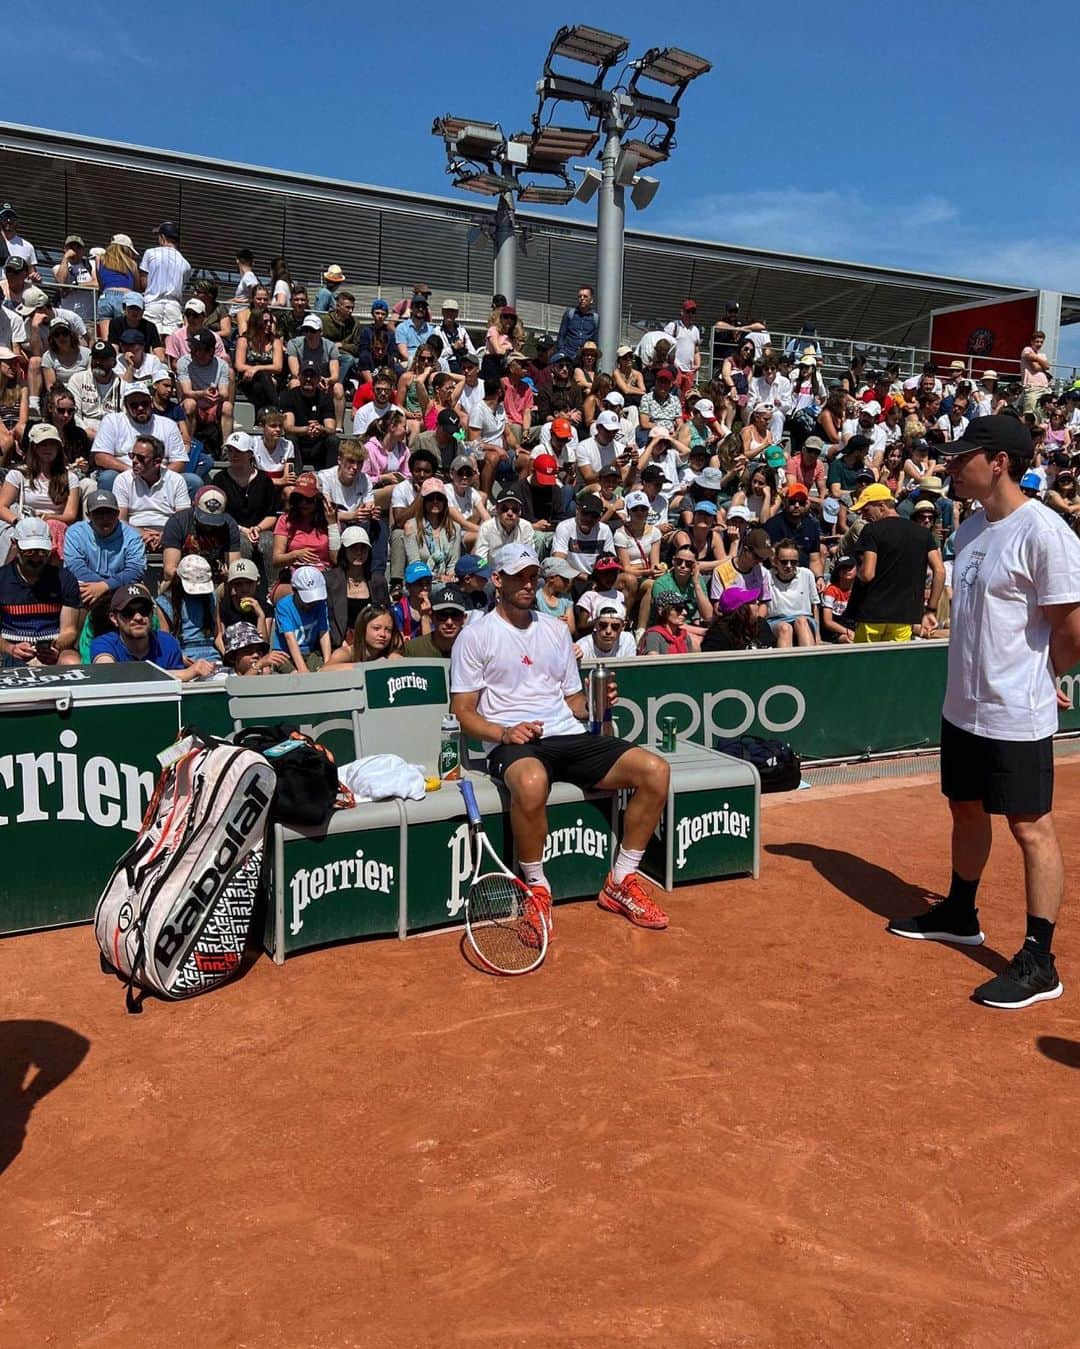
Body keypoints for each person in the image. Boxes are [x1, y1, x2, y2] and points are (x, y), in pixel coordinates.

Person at [888, 415, 1080, 1009]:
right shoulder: (970, 529)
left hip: (1015, 710)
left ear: (998, 461)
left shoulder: (1046, 532)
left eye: (962, 456)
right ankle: (960, 911)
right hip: (962, 706)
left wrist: (1049, 673)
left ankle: (1039, 961)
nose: (950, 464)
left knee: (1029, 827)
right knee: (964, 808)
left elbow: (1070, 625)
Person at [450, 541, 671, 932]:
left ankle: (621, 880)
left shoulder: (555, 630)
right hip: (511, 742)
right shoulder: (475, 635)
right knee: (532, 783)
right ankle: (536, 888)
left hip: (566, 734)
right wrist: (505, 731)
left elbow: (574, 703)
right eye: (519, 576)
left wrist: (598, 702)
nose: (527, 583)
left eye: (532, 576)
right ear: (497, 580)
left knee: (655, 770)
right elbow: (464, 714)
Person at [848, 483, 944, 643]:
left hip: (872, 614)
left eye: (866, 510)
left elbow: (867, 574)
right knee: (894, 666)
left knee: (864, 666)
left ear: (881, 506)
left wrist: (857, 572)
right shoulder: (922, 533)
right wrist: (931, 610)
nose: (863, 516)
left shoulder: (871, 530)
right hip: (904, 617)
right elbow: (940, 571)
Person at [91, 581, 212, 680]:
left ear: (152, 613)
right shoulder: (104, 644)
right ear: (114, 618)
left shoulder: (167, 643)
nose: (138, 617)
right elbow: (108, 674)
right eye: (128, 612)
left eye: (144, 610)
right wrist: (184, 674)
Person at [114, 432, 191, 550]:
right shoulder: (123, 480)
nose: (134, 461)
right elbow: (120, 519)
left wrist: (166, 535)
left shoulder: (176, 480)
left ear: (157, 462)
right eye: (132, 455)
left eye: (141, 458)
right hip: (132, 534)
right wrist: (141, 533)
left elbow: (184, 519)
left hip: (170, 535)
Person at [162, 483, 242, 585]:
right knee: (168, 582)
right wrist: (197, 577)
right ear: (194, 505)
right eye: (204, 519)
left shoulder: (229, 525)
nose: (209, 525)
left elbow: (234, 567)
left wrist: (229, 574)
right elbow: (169, 570)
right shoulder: (178, 522)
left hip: (215, 580)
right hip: (183, 580)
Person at [155, 555, 222, 666]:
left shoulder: (211, 598)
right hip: (183, 655)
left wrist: (228, 655)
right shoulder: (165, 602)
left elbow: (218, 635)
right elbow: (165, 640)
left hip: (211, 655)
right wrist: (179, 658)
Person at [271, 564, 332, 671]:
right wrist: (302, 670)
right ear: (294, 591)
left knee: (321, 671)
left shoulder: (320, 603)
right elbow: (289, 637)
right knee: (294, 677)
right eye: (307, 600)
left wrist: (328, 662)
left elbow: (324, 632)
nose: (312, 603)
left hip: (310, 652)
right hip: (284, 655)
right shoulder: (284, 606)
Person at [139, 221, 191, 335]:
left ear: (162, 237)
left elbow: (143, 282)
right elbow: (182, 285)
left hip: (152, 302)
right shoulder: (185, 264)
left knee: (152, 341)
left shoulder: (150, 253)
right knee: (170, 344)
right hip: (174, 306)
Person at [766, 540, 821, 647]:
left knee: (801, 622)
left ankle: (810, 660)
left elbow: (814, 605)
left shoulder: (807, 574)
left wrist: (818, 637)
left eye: (793, 562)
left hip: (804, 618)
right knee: (785, 628)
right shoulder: (767, 576)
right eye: (784, 562)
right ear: (775, 561)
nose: (789, 565)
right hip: (776, 620)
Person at [400, 585, 468, 659]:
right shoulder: (412, 650)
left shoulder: (474, 648)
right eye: (442, 615)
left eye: (455, 615)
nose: (449, 622)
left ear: (464, 618)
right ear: (432, 617)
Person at [700, 587, 768, 652]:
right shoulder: (717, 637)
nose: (757, 603)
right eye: (752, 602)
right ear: (741, 610)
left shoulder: (761, 625)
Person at [556, 286, 599, 363]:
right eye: (580, 296)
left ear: (591, 300)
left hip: (584, 359)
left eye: (585, 296)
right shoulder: (570, 314)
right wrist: (562, 351)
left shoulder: (594, 318)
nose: (582, 299)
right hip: (567, 355)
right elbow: (561, 335)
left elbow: (595, 340)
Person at [820, 556, 857, 643]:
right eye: (843, 568)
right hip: (835, 630)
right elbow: (828, 621)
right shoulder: (831, 590)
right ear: (838, 572)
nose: (846, 570)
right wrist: (848, 632)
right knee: (846, 639)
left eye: (850, 567)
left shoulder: (860, 590)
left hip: (853, 626)